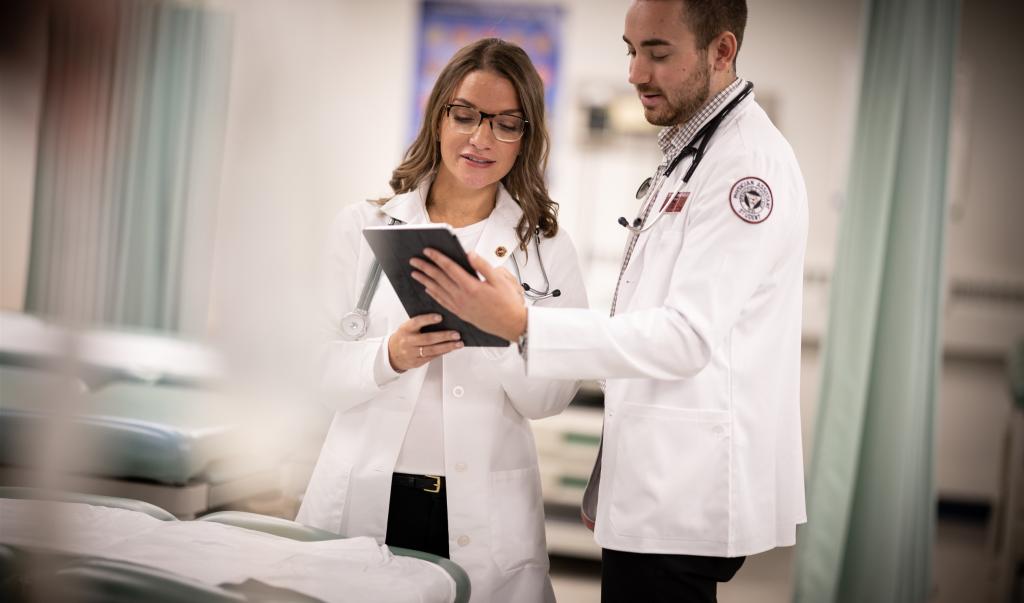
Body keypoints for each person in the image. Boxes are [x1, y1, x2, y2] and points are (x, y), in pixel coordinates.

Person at [410, 2, 808, 602]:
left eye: (658, 52)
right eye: (631, 50)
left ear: (721, 51)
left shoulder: (744, 167)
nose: (635, 73)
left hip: (684, 487)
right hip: (656, 479)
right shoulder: (696, 154)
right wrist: (607, 480)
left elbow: (686, 338)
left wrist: (523, 324)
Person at [295, 38, 588, 603]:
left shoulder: (547, 249)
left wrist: (502, 330)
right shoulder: (363, 225)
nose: (482, 139)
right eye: (466, 115)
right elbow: (312, 369)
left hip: (480, 509)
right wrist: (388, 356)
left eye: (507, 124)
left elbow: (548, 398)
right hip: (367, 495)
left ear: (526, 138)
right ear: (438, 117)